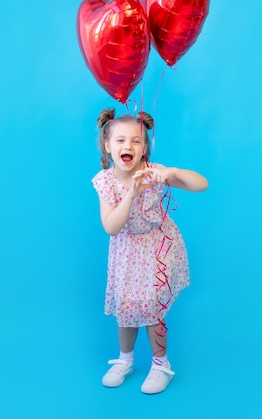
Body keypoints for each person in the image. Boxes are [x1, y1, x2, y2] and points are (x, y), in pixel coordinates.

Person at [91, 107, 208, 395]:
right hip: (126, 252)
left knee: (152, 309)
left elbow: (201, 185)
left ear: (145, 147)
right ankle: (125, 360)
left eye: (135, 140)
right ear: (107, 145)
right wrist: (131, 193)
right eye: (119, 141)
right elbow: (111, 226)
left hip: (158, 248)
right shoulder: (105, 181)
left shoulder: (154, 173)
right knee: (126, 309)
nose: (127, 146)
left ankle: (160, 365)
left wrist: (173, 172)